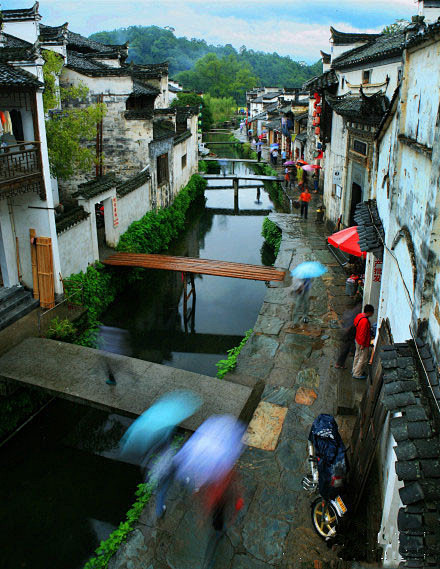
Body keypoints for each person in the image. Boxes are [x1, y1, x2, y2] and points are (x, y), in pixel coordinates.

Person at [335, 304, 362, 369]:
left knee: (348, 346)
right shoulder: (356, 316)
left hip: (348, 333)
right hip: (348, 334)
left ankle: (351, 352)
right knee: (345, 349)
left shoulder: (351, 313)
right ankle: (339, 364)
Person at [352, 304, 374, 379]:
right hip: (362, 342)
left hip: (357, 339)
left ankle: (354, 369)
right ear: (369, 312)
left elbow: (355, 324)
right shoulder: (365, 321)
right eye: (372, 313)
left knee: (357, 355)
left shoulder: (359, 316)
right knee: (363, 359)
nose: (372, 314)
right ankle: (357, 373)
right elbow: (363, 334)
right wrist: (362, 344)